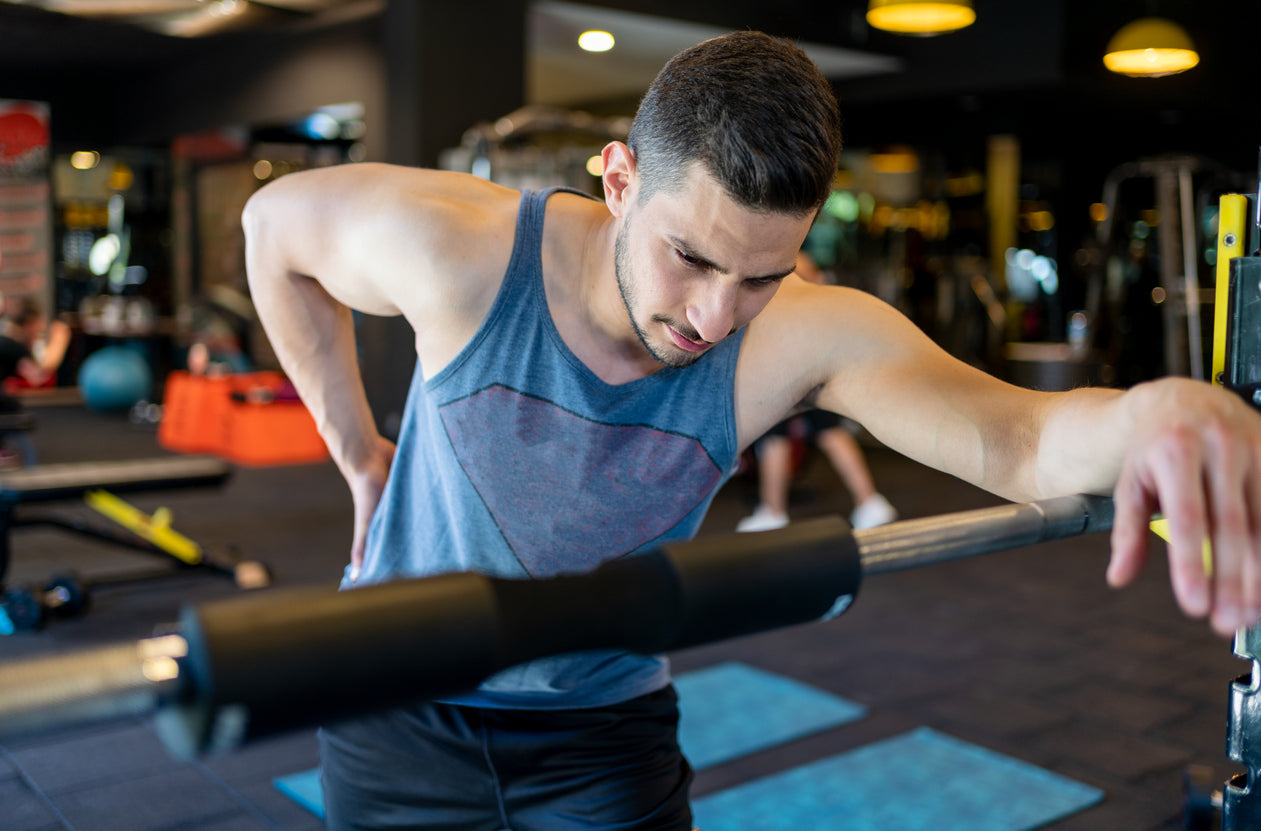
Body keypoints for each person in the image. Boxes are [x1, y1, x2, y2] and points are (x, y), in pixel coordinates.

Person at [243, 31, 1261, 831]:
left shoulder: (802, 332)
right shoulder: (456, 251)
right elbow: (271, 229)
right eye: (690, 257)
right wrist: (355, 451)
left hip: (604, 723)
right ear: (618, 179)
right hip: (395, 707)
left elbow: (1022, 443)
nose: (715, 318)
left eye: (763, 275)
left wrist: (1158, 408)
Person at [738, 251, 898, 532]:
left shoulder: (788, 260)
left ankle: (773, 512)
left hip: (787, 359)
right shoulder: (797, 261)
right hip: (810, 355)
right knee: (828, 431)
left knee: (777, 435)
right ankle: (869, 502)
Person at [0, 296, 70, 413]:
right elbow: (39, 380)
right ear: (30, 322)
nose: (42, 328)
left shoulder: (14, 343)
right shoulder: (14, 346)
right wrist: (60, 339)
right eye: (40, 323)